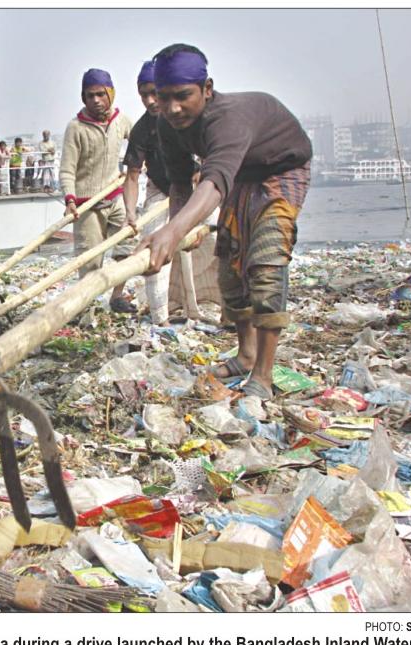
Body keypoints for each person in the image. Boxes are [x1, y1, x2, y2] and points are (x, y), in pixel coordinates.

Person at [135, 43, 312, 399]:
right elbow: (180, 183)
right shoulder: (166, 124)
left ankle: (263, 374)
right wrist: (180, 232)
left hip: (281, 170)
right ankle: (245, 355)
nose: (173, 108)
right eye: (164, 97)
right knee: (230, 268)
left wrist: (173, 231)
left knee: (266, 264)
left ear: (207, 89)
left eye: (183, 96)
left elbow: (214, 182)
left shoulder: (228, 119)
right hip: (241, 174)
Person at [123, 60, 220, 325]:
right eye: (144, 95)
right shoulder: (142, 129)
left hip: (194, 188)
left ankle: (223, 307)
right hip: (160, 190)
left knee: (219, 236)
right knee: (154, 246)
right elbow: (132, 176)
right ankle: (160, 318)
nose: (150, 101)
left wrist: (204, 173)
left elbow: (212, 155)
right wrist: (130, 213)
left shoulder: (188, 118)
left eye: (155, 93)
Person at [59, 68, 133, 313]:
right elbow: (67, 169)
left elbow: (140, 139)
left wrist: (137, 163)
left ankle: (117, 297)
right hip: (86, 204)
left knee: (127, 247)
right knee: (90, 261)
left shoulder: (121, 121)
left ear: (111, 94)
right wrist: (70, 199)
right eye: (90, 96)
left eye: (101, 94)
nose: (96, 100)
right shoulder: (76, 127)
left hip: (115, 196)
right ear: (83, 98)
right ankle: (87, 310)